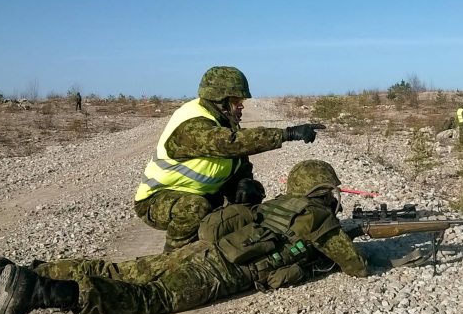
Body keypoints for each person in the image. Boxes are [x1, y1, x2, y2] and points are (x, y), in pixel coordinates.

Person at [0, 160, 370, 314]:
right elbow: (356, 267)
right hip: (223, 268)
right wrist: (349, 241)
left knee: (123, 269)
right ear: (324, 191)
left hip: (202, 247)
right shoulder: (317, 217)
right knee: (152, 299)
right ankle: (38, 290)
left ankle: (16, 271)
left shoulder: (282, 203)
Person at [134, 66, 326, 252]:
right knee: (194, 207)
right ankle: (173, 257)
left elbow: (240, 162)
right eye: (237, 101)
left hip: (204, 194)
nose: (241, 106)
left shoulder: (224, 122)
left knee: (252, 192)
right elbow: (230, 143)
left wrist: (244, 182)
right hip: (157, 200)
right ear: (220, 100)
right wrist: (288, 134)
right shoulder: (191, 124)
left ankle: (227, 247)